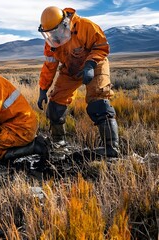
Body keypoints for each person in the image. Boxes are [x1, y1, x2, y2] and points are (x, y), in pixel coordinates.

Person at [37, 6, 119, 157]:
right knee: (55, 106)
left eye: (56, 31)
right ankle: (59, 143)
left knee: (98, 101)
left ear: (65, 23)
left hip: (95, 64)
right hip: (70, 69)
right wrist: (43, 89)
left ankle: (111, 147)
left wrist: (90, 65)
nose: (54, 36)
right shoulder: (52, 42)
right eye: (50, 33)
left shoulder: (86, 26)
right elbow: (49, 66)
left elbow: (102, 47)